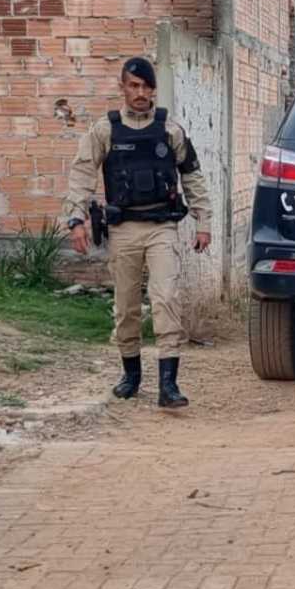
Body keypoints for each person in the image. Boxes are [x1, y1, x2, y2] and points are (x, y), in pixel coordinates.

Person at [63, 57, 213, 409]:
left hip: (161, 227)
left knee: (166, 299)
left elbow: (192, 176)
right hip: (124, 229)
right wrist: (76, 219)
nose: (141, 93)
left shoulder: (170, 130)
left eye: (146, 87)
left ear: (153, 90)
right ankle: (130, 376)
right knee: (127, 307)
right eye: (134, 86)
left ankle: (168, 386)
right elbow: (82, 174)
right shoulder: (105, 130)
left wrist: (203, 222)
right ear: (123, 88)